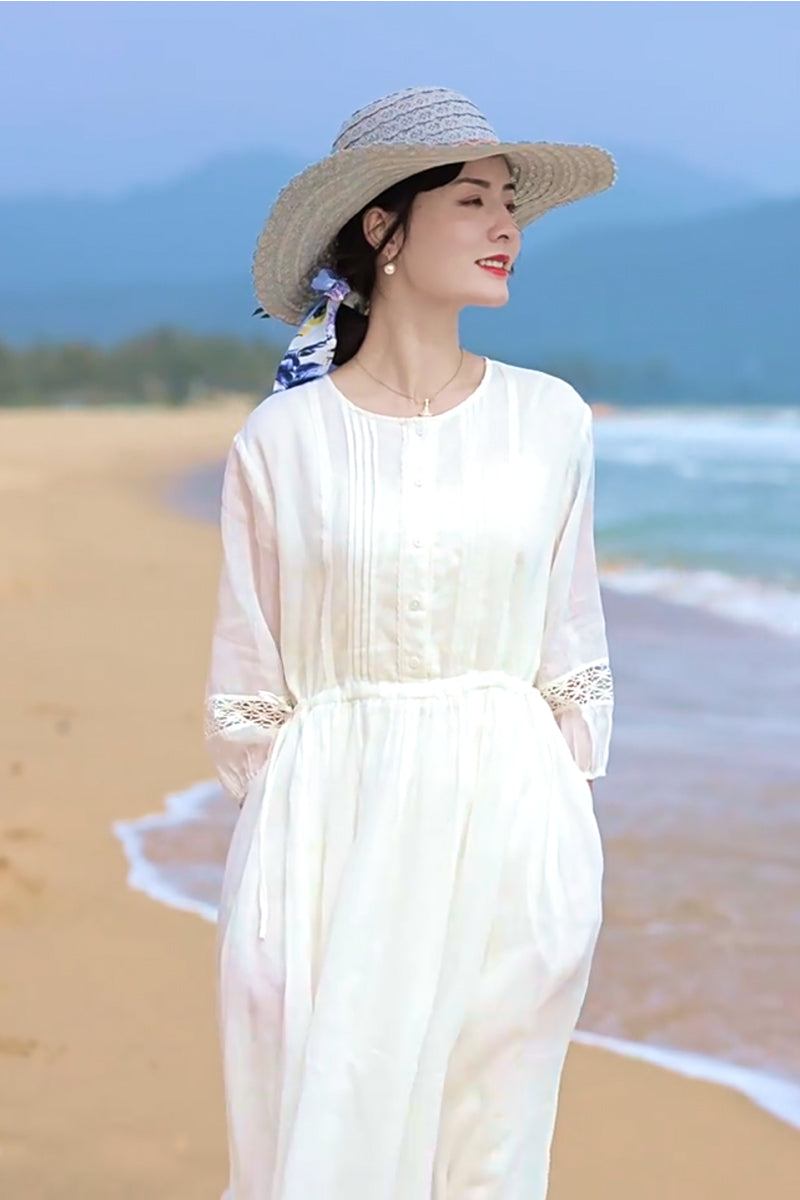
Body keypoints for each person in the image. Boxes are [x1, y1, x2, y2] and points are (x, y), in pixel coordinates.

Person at [203, 84, 616, 1200]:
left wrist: (562, 853)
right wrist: (276, 888)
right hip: (326, 839)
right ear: (383, 226)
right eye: (472, 199)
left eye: (508, 202)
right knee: (322, 1147)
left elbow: (569, 649)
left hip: (511, 829)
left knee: (486, 1155)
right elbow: (250, 688)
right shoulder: (282, 440)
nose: (505, 226)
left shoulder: (549, 420)